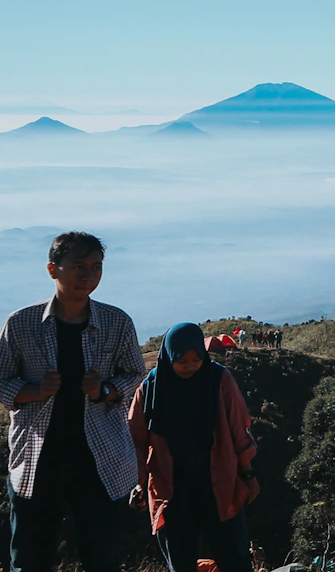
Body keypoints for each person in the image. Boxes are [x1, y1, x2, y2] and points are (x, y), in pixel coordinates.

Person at [0, 232, 144, 572]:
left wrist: (105, 391)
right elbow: (1, 379)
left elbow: (135, 375)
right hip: (37, 458)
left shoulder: (116, 322)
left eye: (96, 267)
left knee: (102, 556)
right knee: (30, 558)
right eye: (78, 266)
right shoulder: (21, 324)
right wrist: (34, 391)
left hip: (99, 458)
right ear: (53, 270)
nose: (88, 275)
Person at [129, 323, 259, 572]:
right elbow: (136, 441)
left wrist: (249, 474)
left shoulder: (218, 380)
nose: (189, 366)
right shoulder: (151, 389)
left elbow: (238, 429)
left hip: (217, 480)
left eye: (196, 359)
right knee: (180, 560)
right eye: (182, 360)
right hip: (171, 486)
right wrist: (138, 482)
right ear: (169, 357)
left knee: (233, 556)